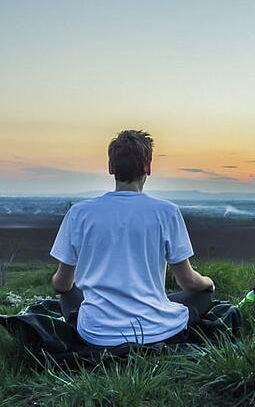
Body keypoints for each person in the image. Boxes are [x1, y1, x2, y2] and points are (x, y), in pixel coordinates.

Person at [49, 130, 215, 347]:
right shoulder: (167, 212)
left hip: (96, 333)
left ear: (111, 168)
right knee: (202, 296)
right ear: (148, 167)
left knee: (68, 293)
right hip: (155, 331)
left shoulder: (79, 213)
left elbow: (61, 284)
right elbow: (188, 282)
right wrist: (208, 283)